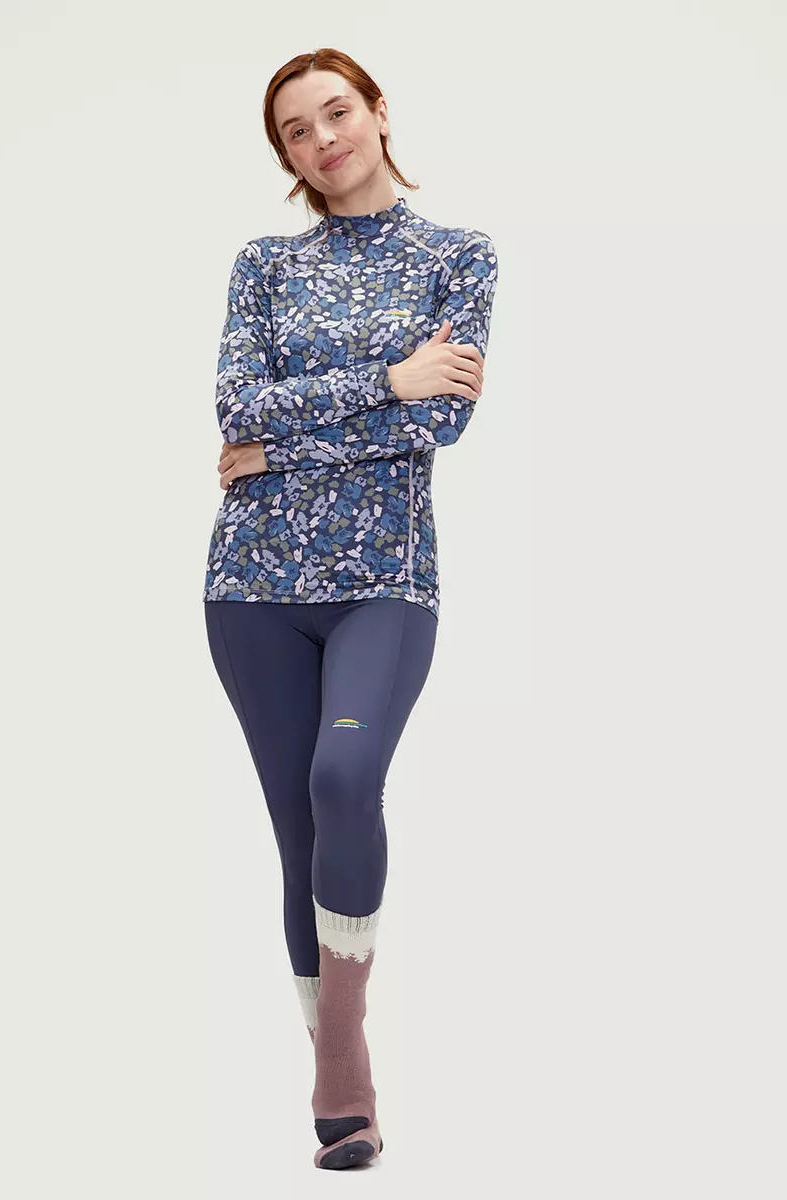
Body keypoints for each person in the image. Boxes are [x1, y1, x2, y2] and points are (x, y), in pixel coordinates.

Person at [202, 47, 499, 1170]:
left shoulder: (456, 257)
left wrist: (277, 446)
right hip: (253, 585)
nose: (322, 138)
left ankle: (340, 1046)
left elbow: (442, 423)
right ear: (284, 153)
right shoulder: (265, 265)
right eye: (296, 129)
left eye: (336, 112)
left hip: (387, 579)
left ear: (378, 112)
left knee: (344, 779)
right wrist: (386, 380)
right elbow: (237, 405)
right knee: (299, 829)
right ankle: (344, 1079)